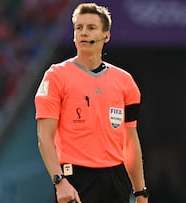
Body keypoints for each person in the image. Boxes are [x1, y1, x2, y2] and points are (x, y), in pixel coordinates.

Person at [34, 3, 148, 203]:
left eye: (91, 28)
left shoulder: (125, 82)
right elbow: (44, 136)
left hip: (116, 180)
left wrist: (140, 192)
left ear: (106, 35)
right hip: (75, 181)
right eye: (79, 28)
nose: (83, 33)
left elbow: (130, 141)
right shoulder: (56, 76)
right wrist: (59, 181)